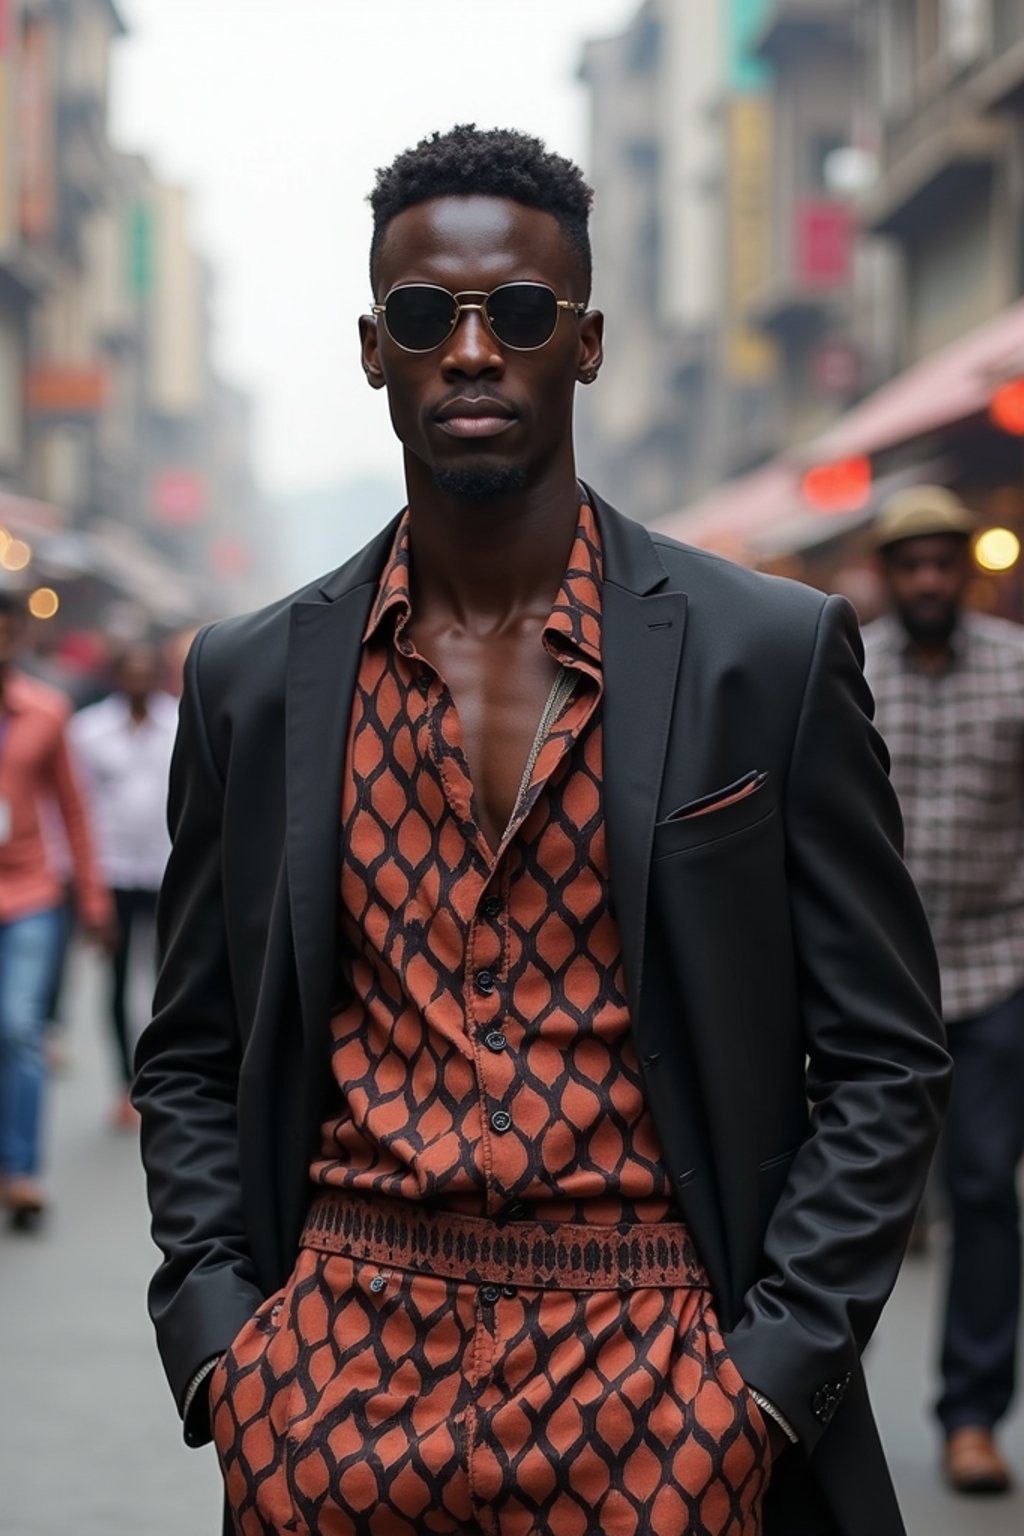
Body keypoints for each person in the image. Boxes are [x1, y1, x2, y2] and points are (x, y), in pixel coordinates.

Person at [135, 126, 950, 1536]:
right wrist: (224, 1354)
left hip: (661, 1385)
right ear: (372, 348)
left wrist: (766, 1381)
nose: (468, 351)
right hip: (333, 1388)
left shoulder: (766, 650)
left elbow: (884, 1053)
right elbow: (195, 1046)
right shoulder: (253, 678)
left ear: (582, 343)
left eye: (516, 313)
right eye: (420, 317)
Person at [863, 485, 1024, 1497]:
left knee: (982, 1195)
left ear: (964, 571)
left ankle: (971, 1417)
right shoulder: (847, 666)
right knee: (847, 1196)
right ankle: (814, 1410)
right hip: (872, 984)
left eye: (941, 562)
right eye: (909, 563)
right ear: (887, 574)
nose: (926, 579)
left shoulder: (1015, 670)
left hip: (998, 966)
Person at [0, 590, 113, 1228]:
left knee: (18, 1027)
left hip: (29, 893)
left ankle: (21, 1171)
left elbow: (74, 809)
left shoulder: (46, 712)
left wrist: (93, 900)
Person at [69, 641, 176, 1127]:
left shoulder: (180, 723)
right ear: (116, 676)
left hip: (167, 871)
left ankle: (162, 1077)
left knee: (166, 979)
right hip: (111, 872)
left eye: (144, 670)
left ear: (157, 676)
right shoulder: (89, 731)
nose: (137, 679)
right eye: (128, 670)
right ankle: (122, 1081)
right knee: (114, 983)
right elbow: (74, 806)